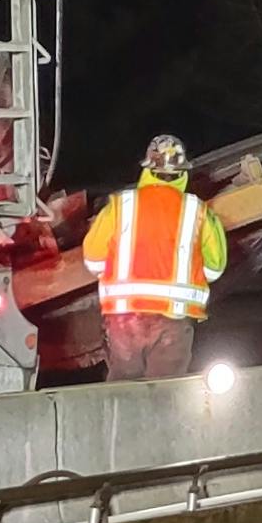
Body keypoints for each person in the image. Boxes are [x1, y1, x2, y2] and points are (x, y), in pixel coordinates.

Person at [83, 134, 227, 380]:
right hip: (173, 320)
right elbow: (215, 268)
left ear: (147, 169)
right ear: (183, 172)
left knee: (123, 392)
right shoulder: (198, 211)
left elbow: (93, 259)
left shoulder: (120, 206)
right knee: (166, 395)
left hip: (125, 320)